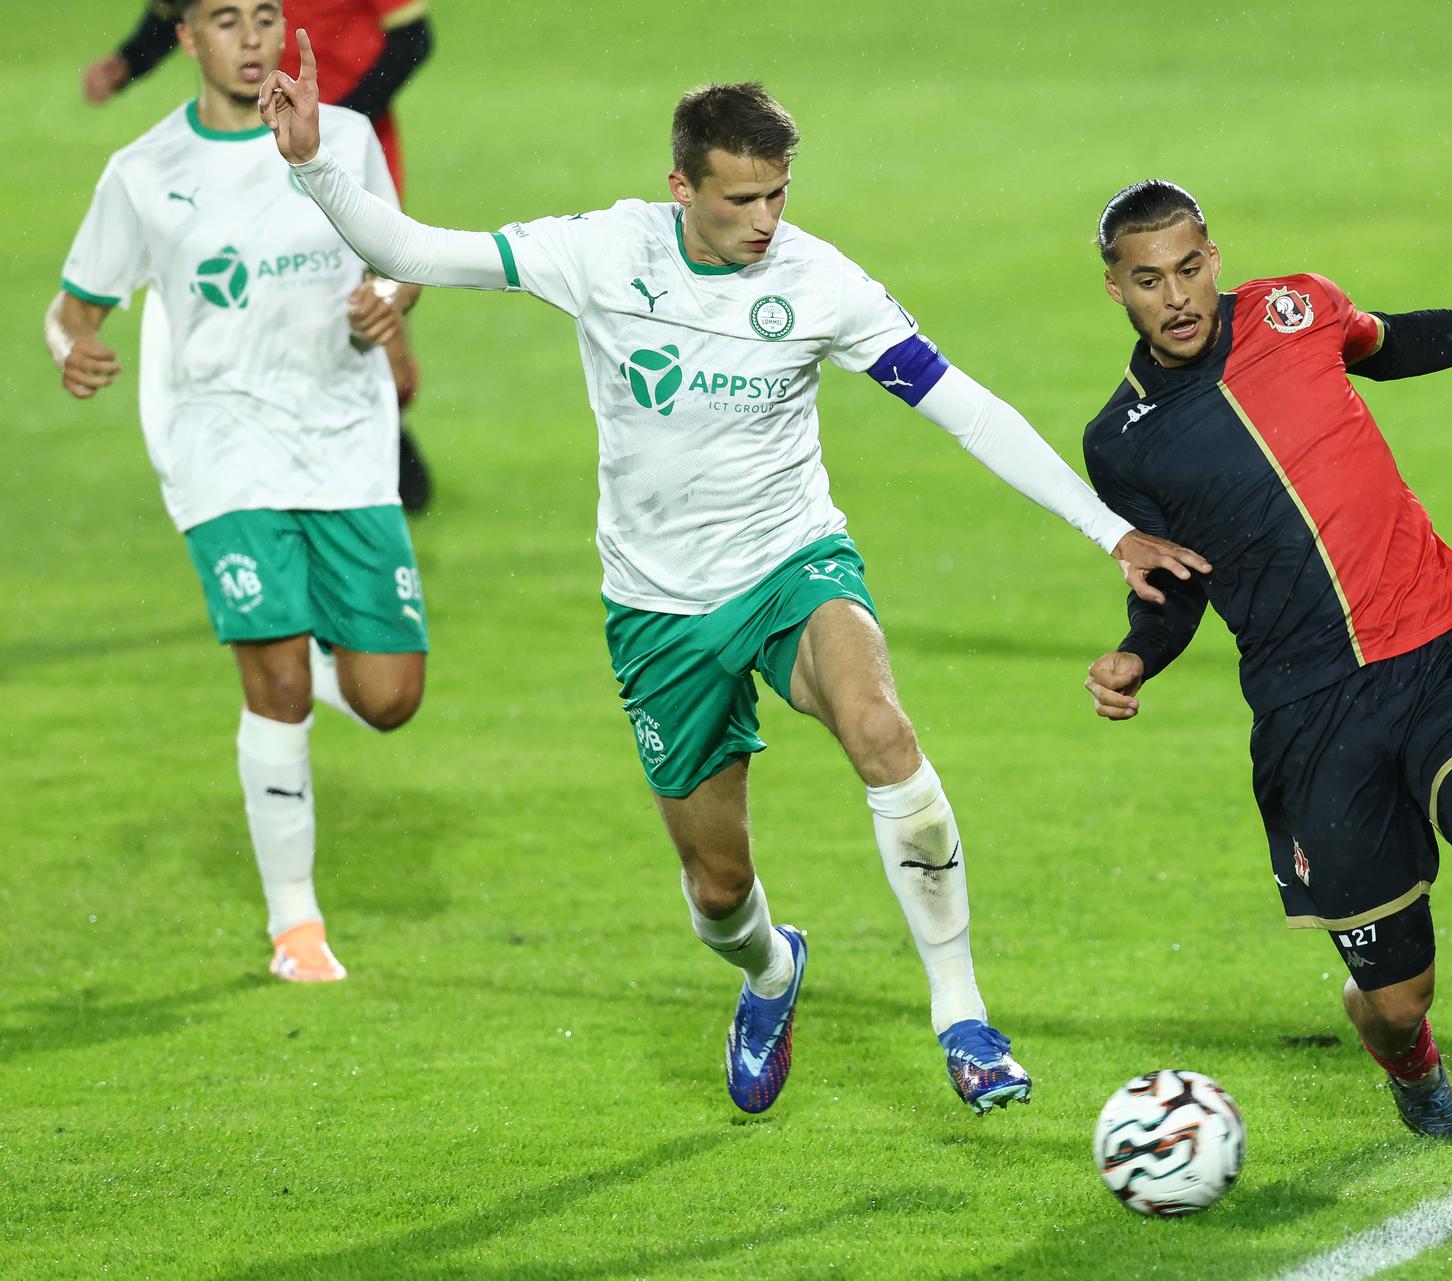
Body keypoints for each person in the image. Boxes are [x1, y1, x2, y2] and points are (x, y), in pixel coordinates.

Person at [258, 36, 1210, 1115]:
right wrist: (314, 163)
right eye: (742, 198)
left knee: (882, 729)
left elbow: (966, 408)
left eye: (779, 194)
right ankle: (769, 969)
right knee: (718, 891)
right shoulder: (602, 253)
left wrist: (1108, 532)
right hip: (659, 610)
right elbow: (415, 249)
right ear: (683, 187)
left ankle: (964, 1016)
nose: (765, 219)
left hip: (790, 566)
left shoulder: (818, 282)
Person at [1078, 180, 1452, 1176]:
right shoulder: (1120, 441)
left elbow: (1399, 343)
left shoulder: (1296, 308)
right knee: (1396, 997)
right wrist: (1137, 654)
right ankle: (1412, 1071)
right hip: (1312, 711)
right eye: (1149, 280)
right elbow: (1173, 583)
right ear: (1116, 289)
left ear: (1214, 258)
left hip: (1442, 641)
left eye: (1190, 269)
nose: (1177, 297)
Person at [48, 0, 428, 983]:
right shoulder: (144, 170)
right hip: (220, 447)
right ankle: (296, 926)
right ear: (187, 39)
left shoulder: (343, 137)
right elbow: (73, 308)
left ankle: (315, 652)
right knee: (279, 688)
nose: (253, 37)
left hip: (345, 444)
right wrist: (71, 348)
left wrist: (386, 307)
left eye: (265, 15)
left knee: (390, 700)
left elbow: (403, 263)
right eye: (226, 19)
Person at [84, 0, 438, 511]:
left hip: (344, 154)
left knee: (369, 306)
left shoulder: (346, 135)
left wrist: (333, 127)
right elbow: (179, 13)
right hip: (252, 153)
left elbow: (412, 39)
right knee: (277, 297)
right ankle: (290, 455)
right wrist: (127, 63)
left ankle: (382, 442)